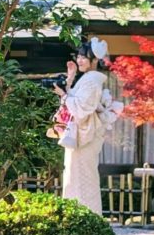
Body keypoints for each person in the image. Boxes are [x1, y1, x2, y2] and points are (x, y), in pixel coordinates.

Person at [51, 37, 121, 214]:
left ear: (95, 60)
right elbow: (73, 102)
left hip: (86, 138)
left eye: (83, 57)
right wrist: (71, 77)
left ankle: (86, 218)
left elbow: (81, 110)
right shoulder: (87, 79)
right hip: (81, 137)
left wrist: (63, 94)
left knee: (83, 180)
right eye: (78, 56)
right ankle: (77, 218)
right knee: (74, 178)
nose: (79, 60)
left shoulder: (92, 81)